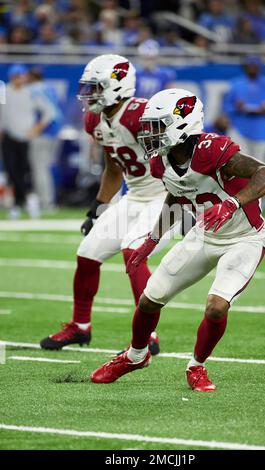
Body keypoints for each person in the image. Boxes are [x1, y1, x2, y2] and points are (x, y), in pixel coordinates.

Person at [90, 88, 265, 392]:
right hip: (204, 234)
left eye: (157, 126)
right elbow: (177, 195)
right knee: (150, 299)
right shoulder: (161, 161)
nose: (149, 134)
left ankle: (196, 366)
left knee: (216, 307)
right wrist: (152, 239)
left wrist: (232, 203)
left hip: (245, 237)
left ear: (182, 123)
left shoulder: (210, 149)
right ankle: (136, 356)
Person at [40, 54, 179, 355]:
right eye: (87, 87)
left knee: (134, 252)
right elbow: (114, 169)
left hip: (169, 199)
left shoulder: (141, 114)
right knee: (88, 254)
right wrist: (98, 208)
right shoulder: (95, 119)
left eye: (96, 87)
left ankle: (148, 335)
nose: (89, 94)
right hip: (137, 197)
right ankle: (80, 327)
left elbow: (179, 152)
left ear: (117, 86)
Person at [0, 64, 40, 219]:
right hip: (8, 136)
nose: (18, 79)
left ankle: (20, 203)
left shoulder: (31, 93)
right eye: (15, 76)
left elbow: (49, 112)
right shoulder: (4, 91)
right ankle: (27, 199)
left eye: (20, 75)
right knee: (11, 170)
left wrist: (36, 128)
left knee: (23, 171)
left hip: (25, 138)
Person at [223, 55, 265, 163]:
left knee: (260, 165)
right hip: (240, 128)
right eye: (250, 65)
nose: (252, 68)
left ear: (260, 67)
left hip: (261, 130)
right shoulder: (235, 84)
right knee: (238, 163)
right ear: (245, 67)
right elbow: (226, 107)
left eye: (255, 65)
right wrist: (236, 107)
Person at [28, 67, 63, 211]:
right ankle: (47, 200)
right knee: (45, 169)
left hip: (44, 133)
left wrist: (36, 129)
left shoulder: (33, 90)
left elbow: (49, 113)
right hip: (55, 132)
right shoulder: (50, 88)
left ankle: (45, 202)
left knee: (40, 169)